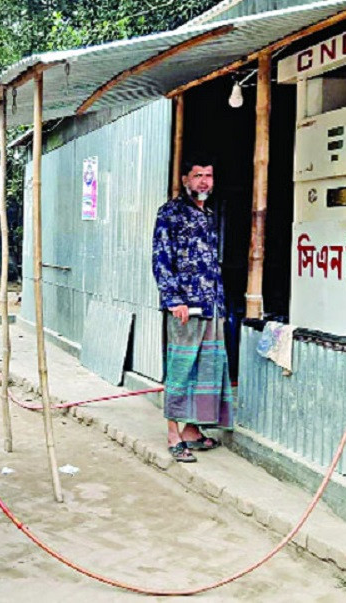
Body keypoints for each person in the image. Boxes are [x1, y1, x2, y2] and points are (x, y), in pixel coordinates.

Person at [151, 156, 233, 463]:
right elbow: (160, 258)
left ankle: (192, 430)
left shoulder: (208, 214)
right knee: (180, 369)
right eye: (197, 175)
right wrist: (174, 299)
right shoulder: (171, 213)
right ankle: (173, 434)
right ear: (185, 179)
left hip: (211, 304)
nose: (203, 182)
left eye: (208, 175)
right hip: (184, 306)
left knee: (207, 369)